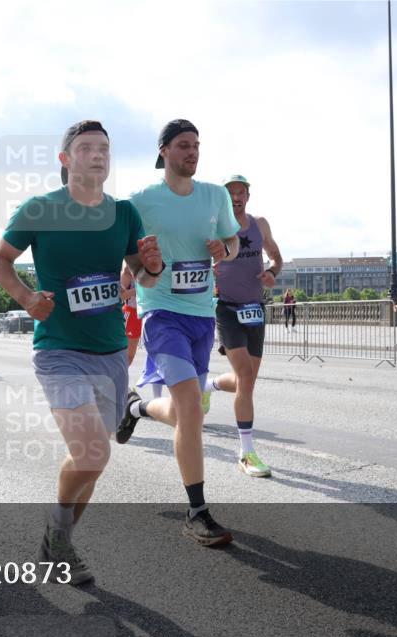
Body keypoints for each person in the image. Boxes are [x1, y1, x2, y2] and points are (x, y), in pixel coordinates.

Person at [0, 120, 162, 585]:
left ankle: (58, 541)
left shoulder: (124, 214)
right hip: (60, 349)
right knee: (91, 454)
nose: (98, 154)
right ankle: (59, 532)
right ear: (66, 160)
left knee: (96, 459)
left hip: (109, 353)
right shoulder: (41, 208)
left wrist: (150, 266)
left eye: (104, 147)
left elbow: (141, 279)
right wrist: (27, 300)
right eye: (86, 148)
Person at [115, 119, 240, 547]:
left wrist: (226, 250)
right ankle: (198, 511)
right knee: (190, 405)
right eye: (184, 145)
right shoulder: (141, 201)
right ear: (163, 151)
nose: (193, 152)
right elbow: (126, 249)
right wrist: (129, 275)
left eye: (197, 146)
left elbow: (232, 241)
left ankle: (133, 411)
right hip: (161, 312)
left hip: (202, 315)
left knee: (191, 412)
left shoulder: (214, 195)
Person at [199, 174, 284, 478]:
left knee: (245, 381)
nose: (236, 197)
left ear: (248, 195)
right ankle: (247, 452)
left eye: (240, 192)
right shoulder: (213, 226)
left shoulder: (260, 224)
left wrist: (272, 272)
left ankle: (207, 386)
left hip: (255, 309)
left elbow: (276, 257)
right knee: (245, 376)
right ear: (223, 197)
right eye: (230, 193)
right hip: (226, 308)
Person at [120, 265, 142, 368]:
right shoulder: (129, 268)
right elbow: (121, 296)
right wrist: (139, 290)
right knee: (128, 355)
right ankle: (118, 380)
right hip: (132, 312)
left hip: (151, 313)